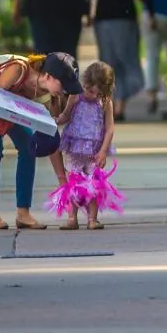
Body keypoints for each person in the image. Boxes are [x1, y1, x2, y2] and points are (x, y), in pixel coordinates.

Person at [0, 50, 83, 231]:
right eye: (64, 84)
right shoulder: (18, 69)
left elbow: (51, 139)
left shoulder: (49, 97)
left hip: (2, 100)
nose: (65, 91)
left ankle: (23, 213)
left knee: (28, 145)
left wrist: (64, 184)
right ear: (48, 76)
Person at [87, 0, 154, 122]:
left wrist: (87, 14)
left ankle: (111, 106)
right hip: (125, 17)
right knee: (125, 60)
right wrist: (149, 14)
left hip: (104, 17)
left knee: (108, 62)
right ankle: (121, 105)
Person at [56, 61, 117, 230]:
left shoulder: (105, 102)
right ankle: (71, 218)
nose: (92, 95)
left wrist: (104, 151)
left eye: (98, 94)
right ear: (85, 83)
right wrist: (58, 119)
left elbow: (110, 128)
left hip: (95, 150)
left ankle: (92, 219)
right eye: (90, 91)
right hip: (74, 146)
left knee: (95, 184)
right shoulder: (76, 95)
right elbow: (67, 115)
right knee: (73, 182)